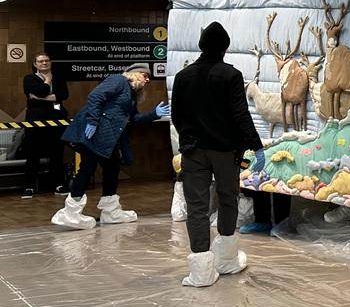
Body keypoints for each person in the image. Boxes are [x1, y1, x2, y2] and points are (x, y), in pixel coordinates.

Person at [170, 22, 265, 288]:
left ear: (201, 46)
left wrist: (189, 138)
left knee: (197, 208)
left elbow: (176, 115)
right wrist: (256, 146)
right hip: (225, 151)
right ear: (225, 47)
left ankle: (200, 271)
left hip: (192, 151)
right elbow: (240, 115)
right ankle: (226, 259)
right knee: (227, 199)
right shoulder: (230, 75)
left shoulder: (182, 76)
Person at [53, 63, 169, 229]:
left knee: (112, 168)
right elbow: (95, 97)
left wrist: (153, 115)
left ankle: (110, 211)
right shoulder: (118, 81)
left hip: (107, 139)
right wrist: (92, 121)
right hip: (93, 134)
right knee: (87, 168)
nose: (148, 80)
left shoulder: (131, 94)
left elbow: (133, 118)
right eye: (145, 76)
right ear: (134, 74)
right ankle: (70, 212)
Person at [21, 52, 70, 199]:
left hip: (56, 120)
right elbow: (39, 91)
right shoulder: (29, 79)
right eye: (41, 61)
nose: (44, 63)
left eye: (47, 61)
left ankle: (58, 185)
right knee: (32, 154)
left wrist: (41, 98)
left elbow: (63, 95)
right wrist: (47, 81)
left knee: (57, 154)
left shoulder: (59, 78)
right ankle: (29, 187)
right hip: (35, 121)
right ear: (35, 64)